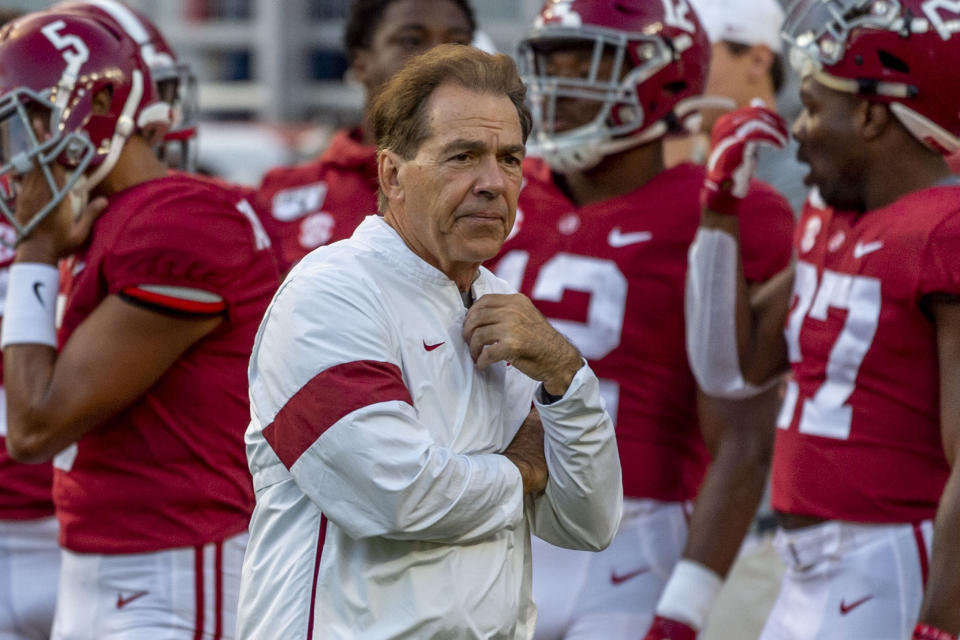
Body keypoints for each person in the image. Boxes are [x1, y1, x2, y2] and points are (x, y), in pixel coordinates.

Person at [236, 44, 623, 640]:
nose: (494, 183)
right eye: (463, 156)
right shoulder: (328, 294)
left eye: (510, 159)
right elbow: (394, 495)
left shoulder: (502, 306)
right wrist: (519, 471)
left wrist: (565, 373)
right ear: (392, 174)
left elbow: (589, 523)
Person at [486, 1, 794, 638]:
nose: (558, 88)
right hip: (491, 525)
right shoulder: (500, 194)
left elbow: (744, 435)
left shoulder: (728, 211)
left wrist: (686, 608)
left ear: (663, 78)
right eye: (551, 64)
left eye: (586, 65)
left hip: (637, 543)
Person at [684, 0, 960, 638]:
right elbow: (729, 369)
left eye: (813, 104)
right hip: (809, 572)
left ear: (869, 113)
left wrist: (941, 623)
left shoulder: (941, 233)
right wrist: (718, 215)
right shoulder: (831, 217)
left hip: (889, 560)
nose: (798, 128)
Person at [0, 10, 278, 639]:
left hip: (175, 572)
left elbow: (35, 424)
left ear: (98, 102)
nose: (17, 155)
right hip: (100, 564)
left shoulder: (178, 220)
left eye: (28, 123)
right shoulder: (113, 221)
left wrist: (37, 253)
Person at [253, 0, 477, 273]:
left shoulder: (508, 193)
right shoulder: (278, 195)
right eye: (412, 40)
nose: (440, 58)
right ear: (361, 63)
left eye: (458, 44)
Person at [665, 0, 807, 215]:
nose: (678, 72)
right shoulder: (685, 165)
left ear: (758, 61)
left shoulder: (804, 175)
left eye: (698, 54)